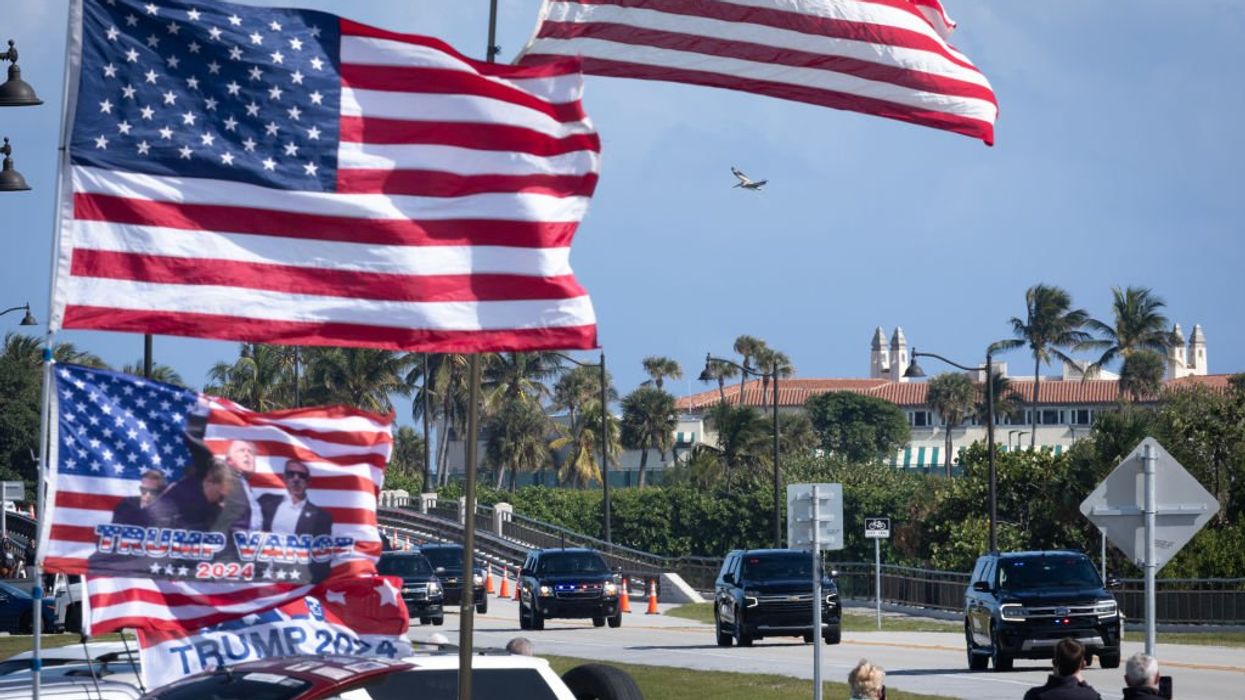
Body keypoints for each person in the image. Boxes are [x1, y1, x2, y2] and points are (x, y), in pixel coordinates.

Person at [257, 459, 334, 581]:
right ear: (284, 478)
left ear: (308, 481)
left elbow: (321, 558)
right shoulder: (265, 502)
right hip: (260, 578)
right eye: (291, 474)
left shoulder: (320, 516)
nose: (296, 479)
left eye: (302, 476)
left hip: (294, 582)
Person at [1022, 638, 1103, 700]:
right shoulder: (1091, 696)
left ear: (1054, 662)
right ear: (1082, 664)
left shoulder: (1035, 696)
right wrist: (1084, 684)